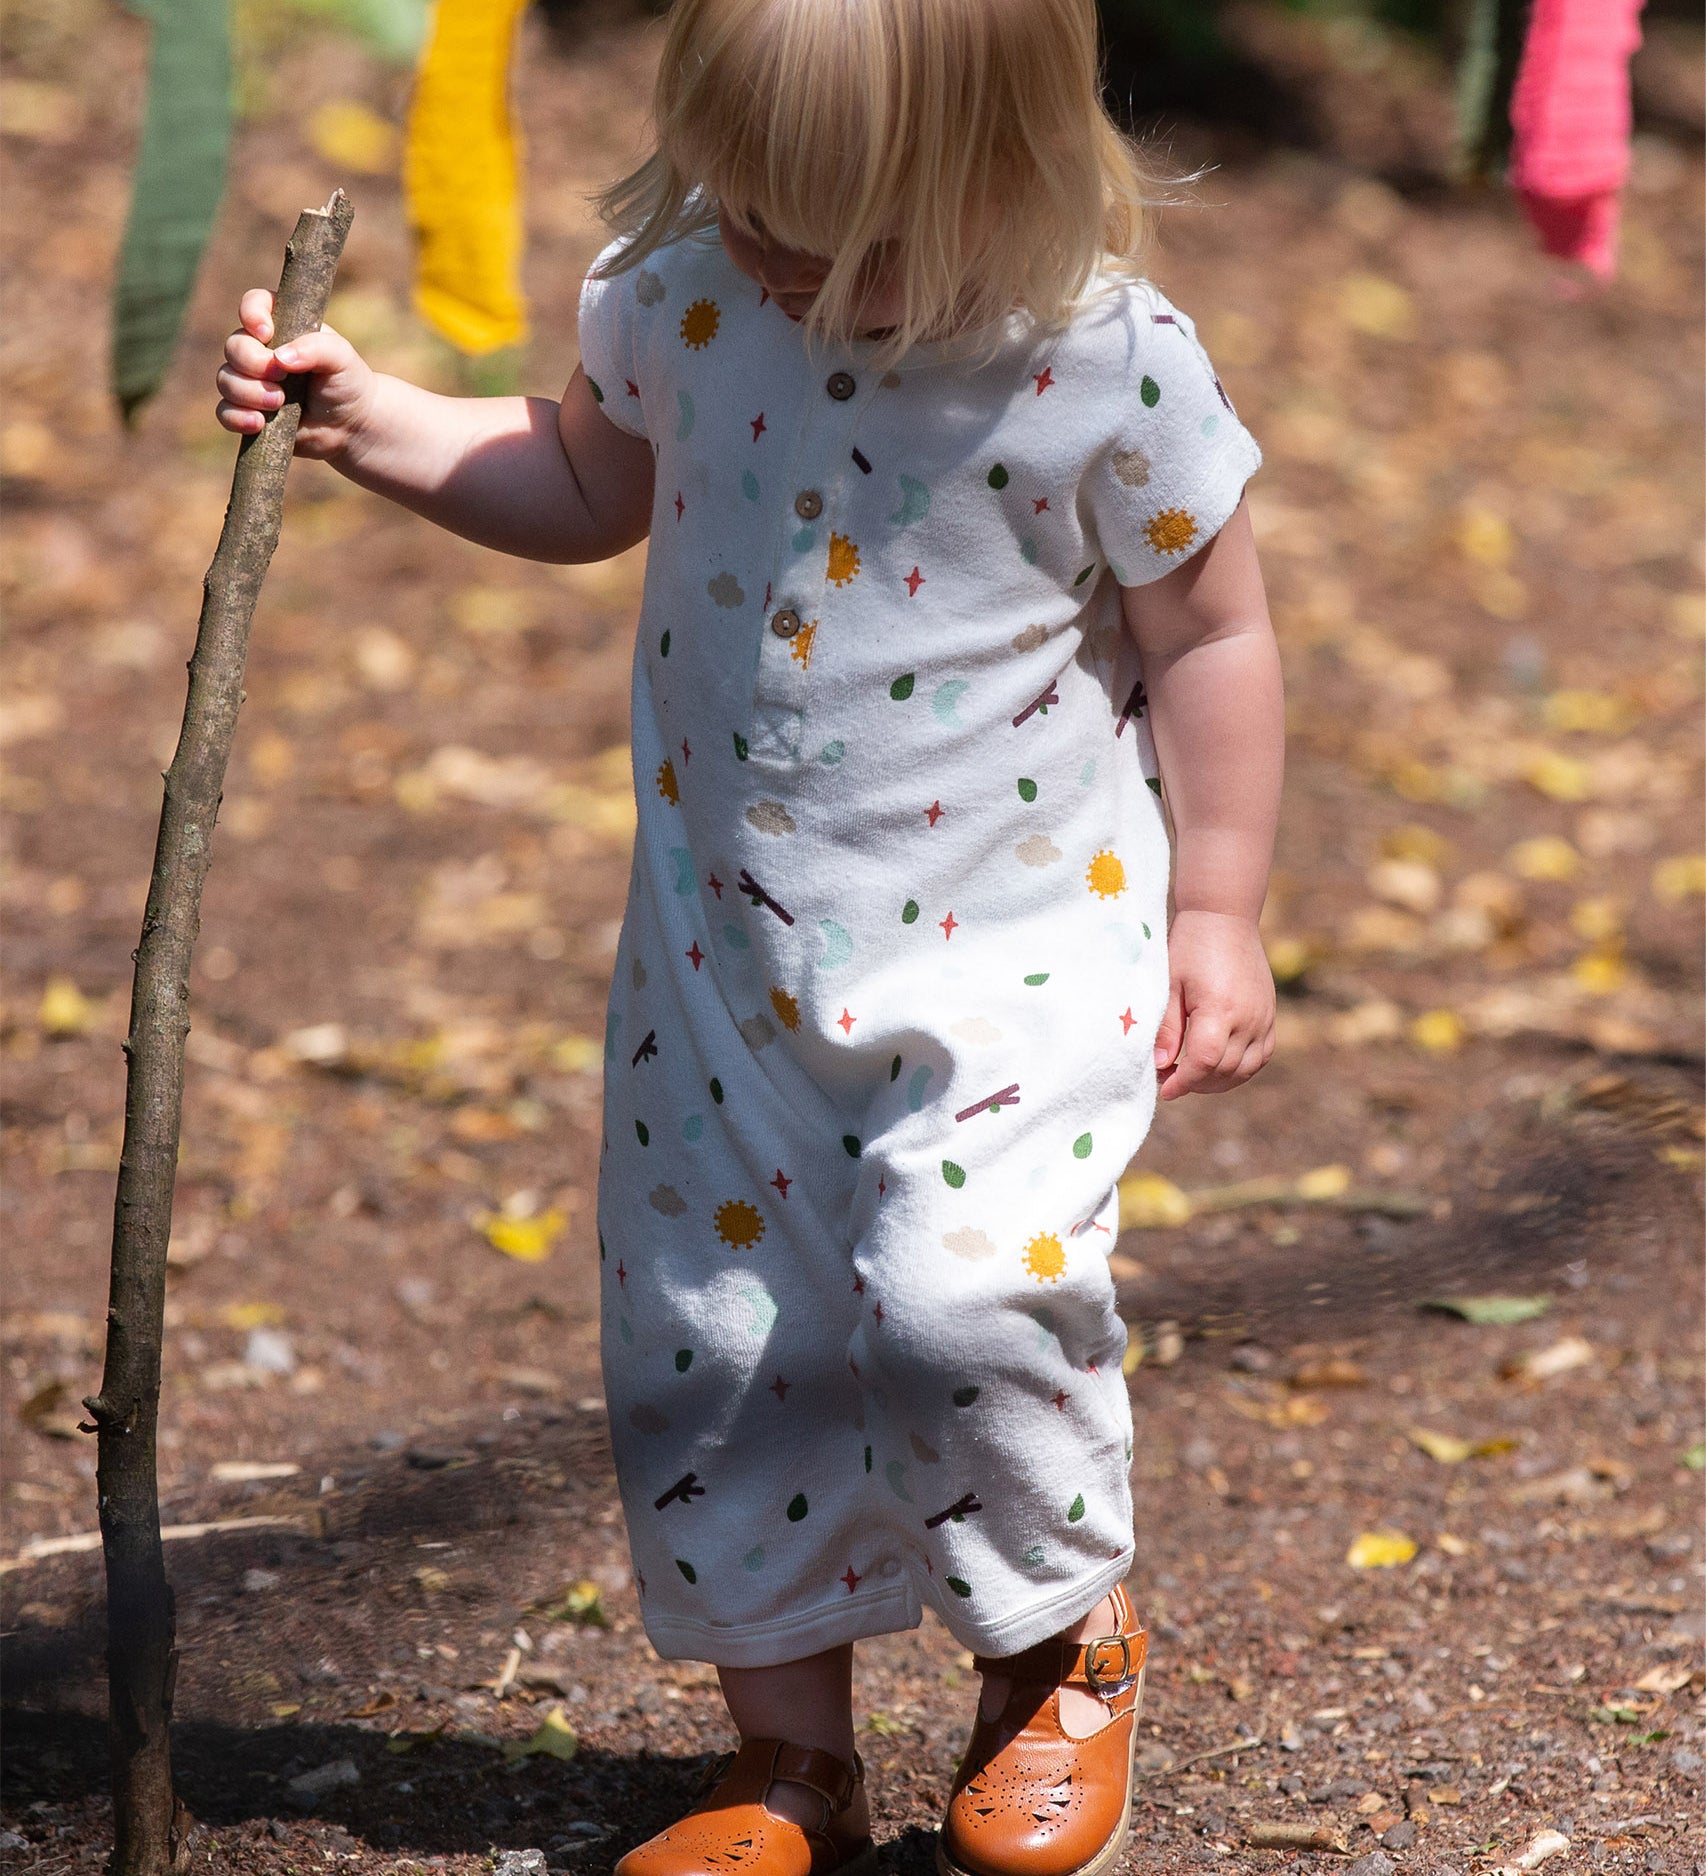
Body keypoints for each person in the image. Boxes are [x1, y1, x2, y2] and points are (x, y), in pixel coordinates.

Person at [216, 1, 1283, 1870]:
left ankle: (1053, 1648)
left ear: (1003, 176)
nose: (790, 266)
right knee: (719, 1342)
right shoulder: (691, 296)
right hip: (723, 971)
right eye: (755, 211)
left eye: (844, 236)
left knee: (965, 1295)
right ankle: (787, 1760)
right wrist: (368, 419)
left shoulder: (1102, 363)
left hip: (1017, 957)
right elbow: (578, 482)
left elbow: (1210, 638)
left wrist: (1219, 905)